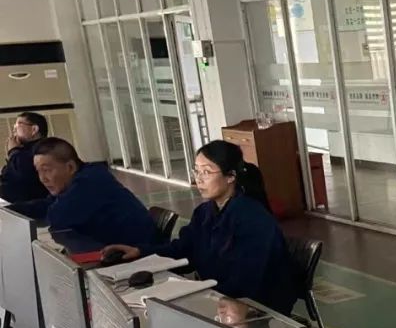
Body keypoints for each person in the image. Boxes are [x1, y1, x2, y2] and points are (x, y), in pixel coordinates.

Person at [102, 140, 299, 316]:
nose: (199, 179)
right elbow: (183, 250)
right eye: (196, 171)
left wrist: (200, 297)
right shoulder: (205, 213)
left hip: (255, 310)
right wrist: (140, 251)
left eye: (206, 172)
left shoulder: (253, 219)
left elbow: (247, 282)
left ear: (230, 176)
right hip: (219, 300)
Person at [20, 138, 158, 247]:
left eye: (47, 170)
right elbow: (47, 205)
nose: (43, 178)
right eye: (38, 171)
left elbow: (57, 218)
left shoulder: (90, 182)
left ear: (70, 167)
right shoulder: (79, 178)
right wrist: (11, 211)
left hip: (139, 253)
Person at [1, 112, 50, 203]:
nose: (14, 129)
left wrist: (13, 151)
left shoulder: (44, 148)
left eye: (18, 125)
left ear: (34, 129)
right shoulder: (22, 150)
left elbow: (24, 174)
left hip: (31, 205)